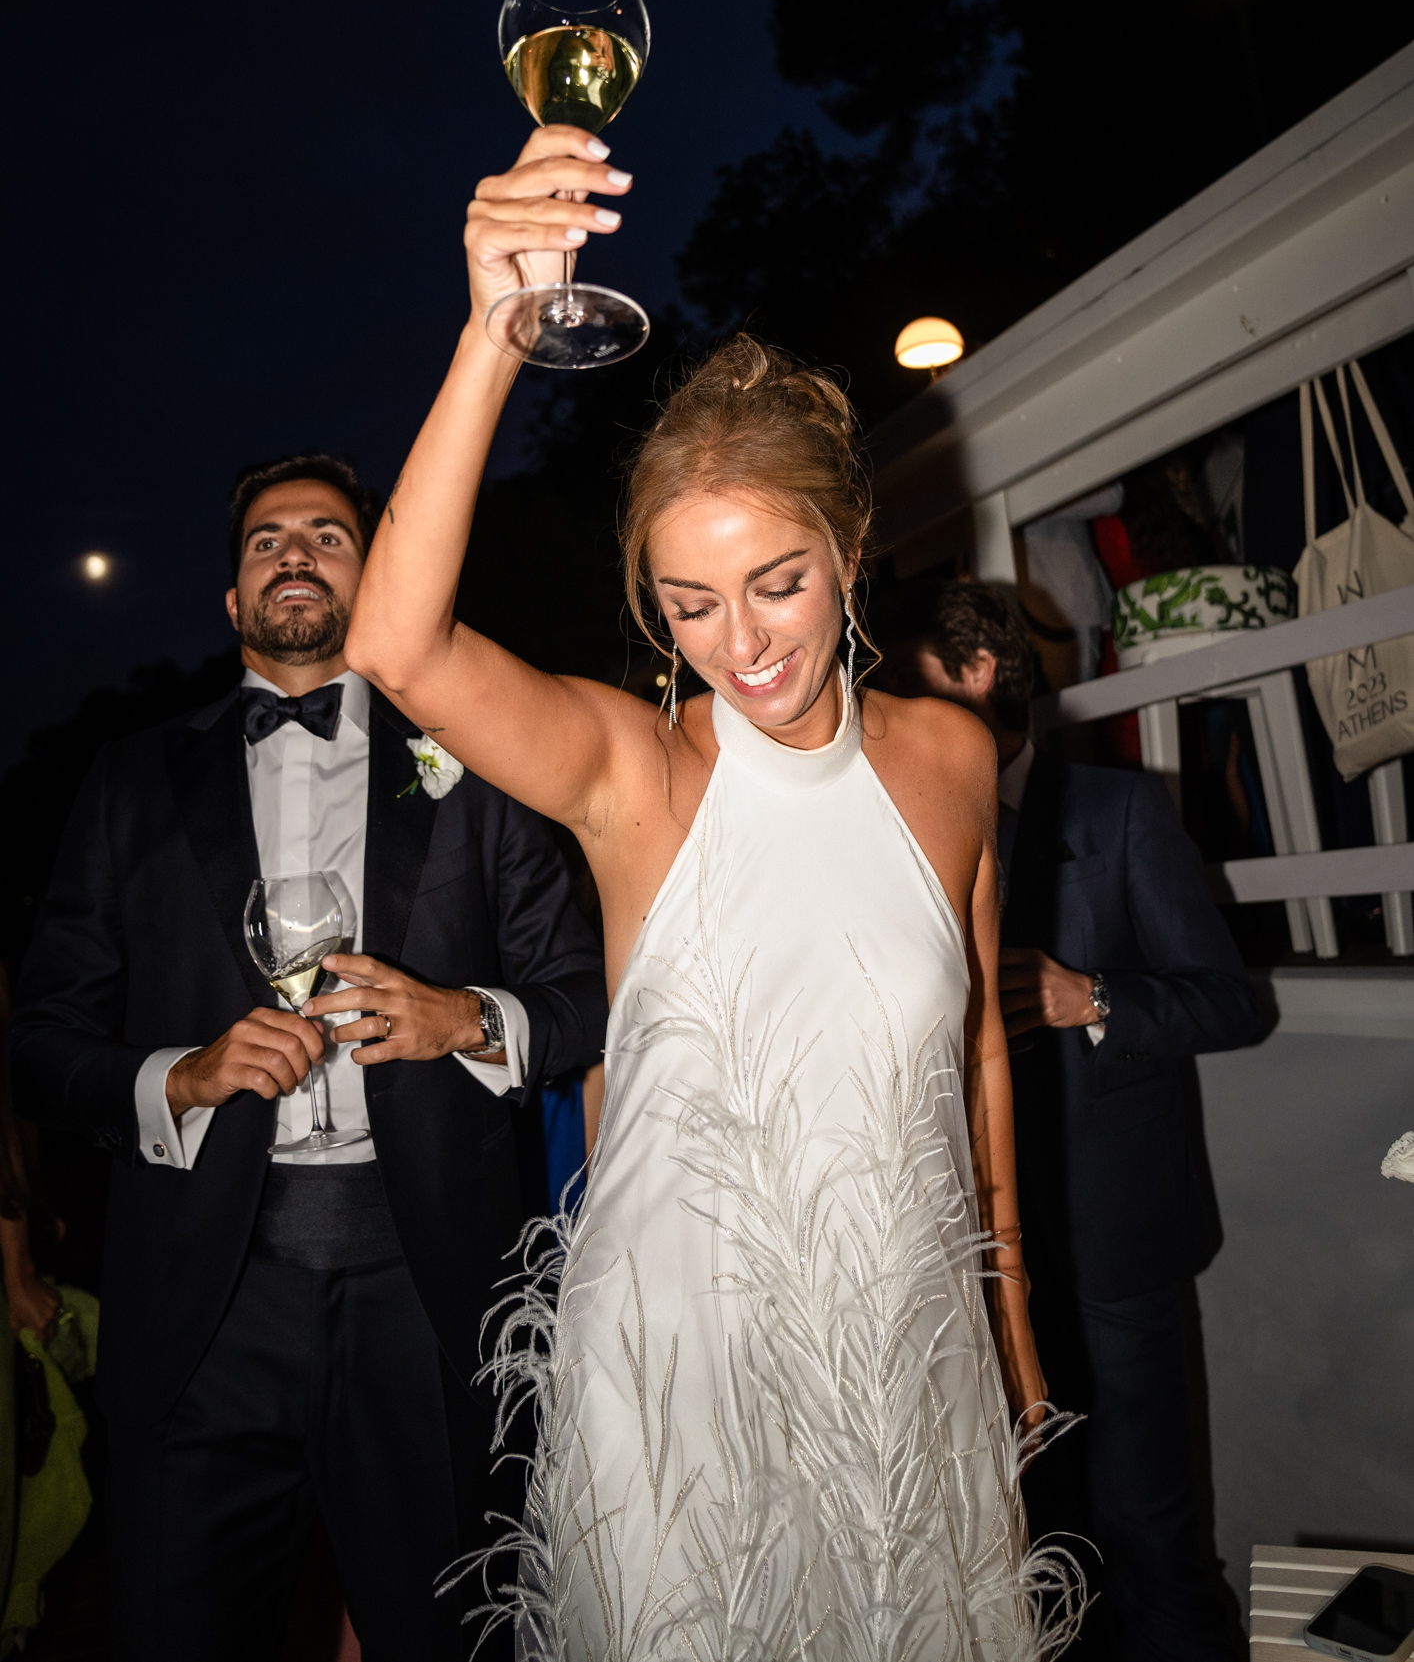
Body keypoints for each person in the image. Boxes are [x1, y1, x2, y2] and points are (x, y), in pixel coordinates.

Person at [337, 123, 1083, 1662]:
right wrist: (496, 330)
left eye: (776, 583)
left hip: (906, 1359)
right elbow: (396, 644)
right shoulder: (638, 775)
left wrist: (1006, 1340)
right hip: (681, 1379)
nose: (738, 644)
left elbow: (976, 1056)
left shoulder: (949, 759)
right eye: (688, 604)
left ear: (852, 547)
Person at [7, 450, 608, 1662]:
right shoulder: (130, 781)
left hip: (428, 1293)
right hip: (203, 1311)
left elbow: (592, 993)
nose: (296, 552)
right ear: (232, 600)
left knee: (449, 1637)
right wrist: (180, 1077)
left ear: (374, 572)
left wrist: (465, 1020)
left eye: (329, 535)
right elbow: (39, 1046)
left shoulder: (475, 760)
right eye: (268, 539)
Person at [879, 580, 1262, 1662]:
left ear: (974, 673)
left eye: (905, 680)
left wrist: (1086, 996)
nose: (887, 711)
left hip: (1114, 1243)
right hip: (972, 1256)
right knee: (1035, 1545)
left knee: (1152, 1532)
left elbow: (1235, 1001)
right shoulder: (900, 834)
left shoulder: (1119, 810)